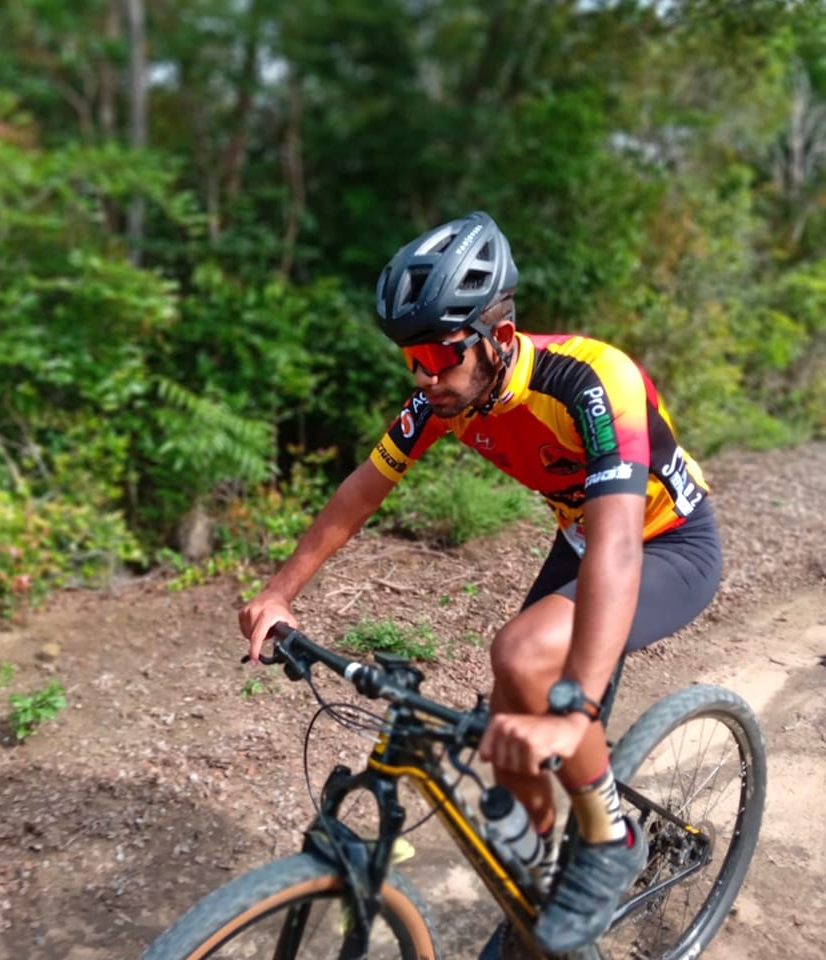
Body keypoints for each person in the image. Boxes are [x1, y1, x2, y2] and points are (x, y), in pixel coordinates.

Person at [238, 210, 722, 954]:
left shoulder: (592, 380)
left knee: (526, 658)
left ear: (498, 338)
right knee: (505, 740)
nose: (424, 376)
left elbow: (619, 548)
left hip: (665, 544)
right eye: (412, 358)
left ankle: (611, 837)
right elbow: (362, 491)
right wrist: (280, 592)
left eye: (439, 353)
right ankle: (537, 887)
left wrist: (577, 704)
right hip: (584, 538)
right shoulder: (447, 398)